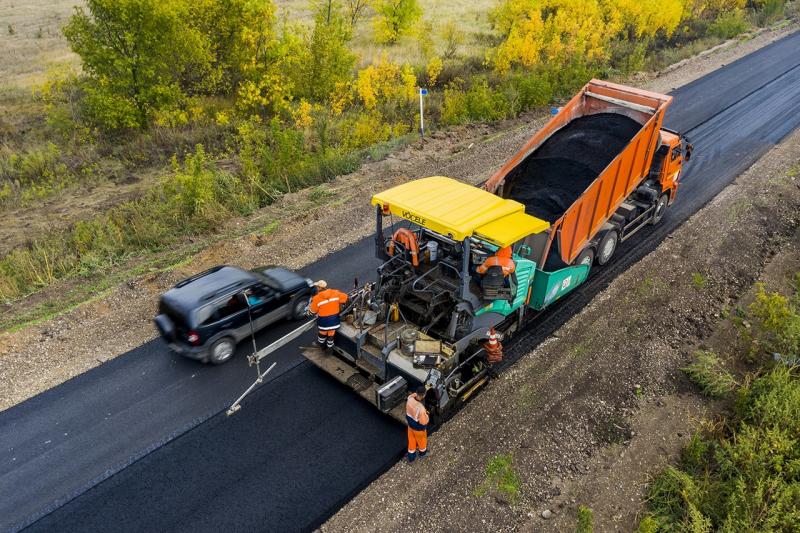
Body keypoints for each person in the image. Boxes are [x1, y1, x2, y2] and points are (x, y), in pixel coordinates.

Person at [309, 280, 349, 349]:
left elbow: (312, 311)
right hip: (334, 321)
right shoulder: (335, 293)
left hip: (323, 321)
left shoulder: (316, 298)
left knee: (323, 331)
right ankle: (330, 347)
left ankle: (320, 344)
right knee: (331, 332)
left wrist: (308, 312)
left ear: (319, 288)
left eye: (316, 287)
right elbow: (346, 298)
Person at [406, 385, 430, 462]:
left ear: (416, 392)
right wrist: (427, 415)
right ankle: (423, 454)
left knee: (411, 441)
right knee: (422, 441)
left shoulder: (409, 399)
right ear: (424, 395)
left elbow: (413, 395)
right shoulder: (421, 409)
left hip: (410, 426)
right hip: (418, 429)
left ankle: (411, 458)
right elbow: (423, 422)